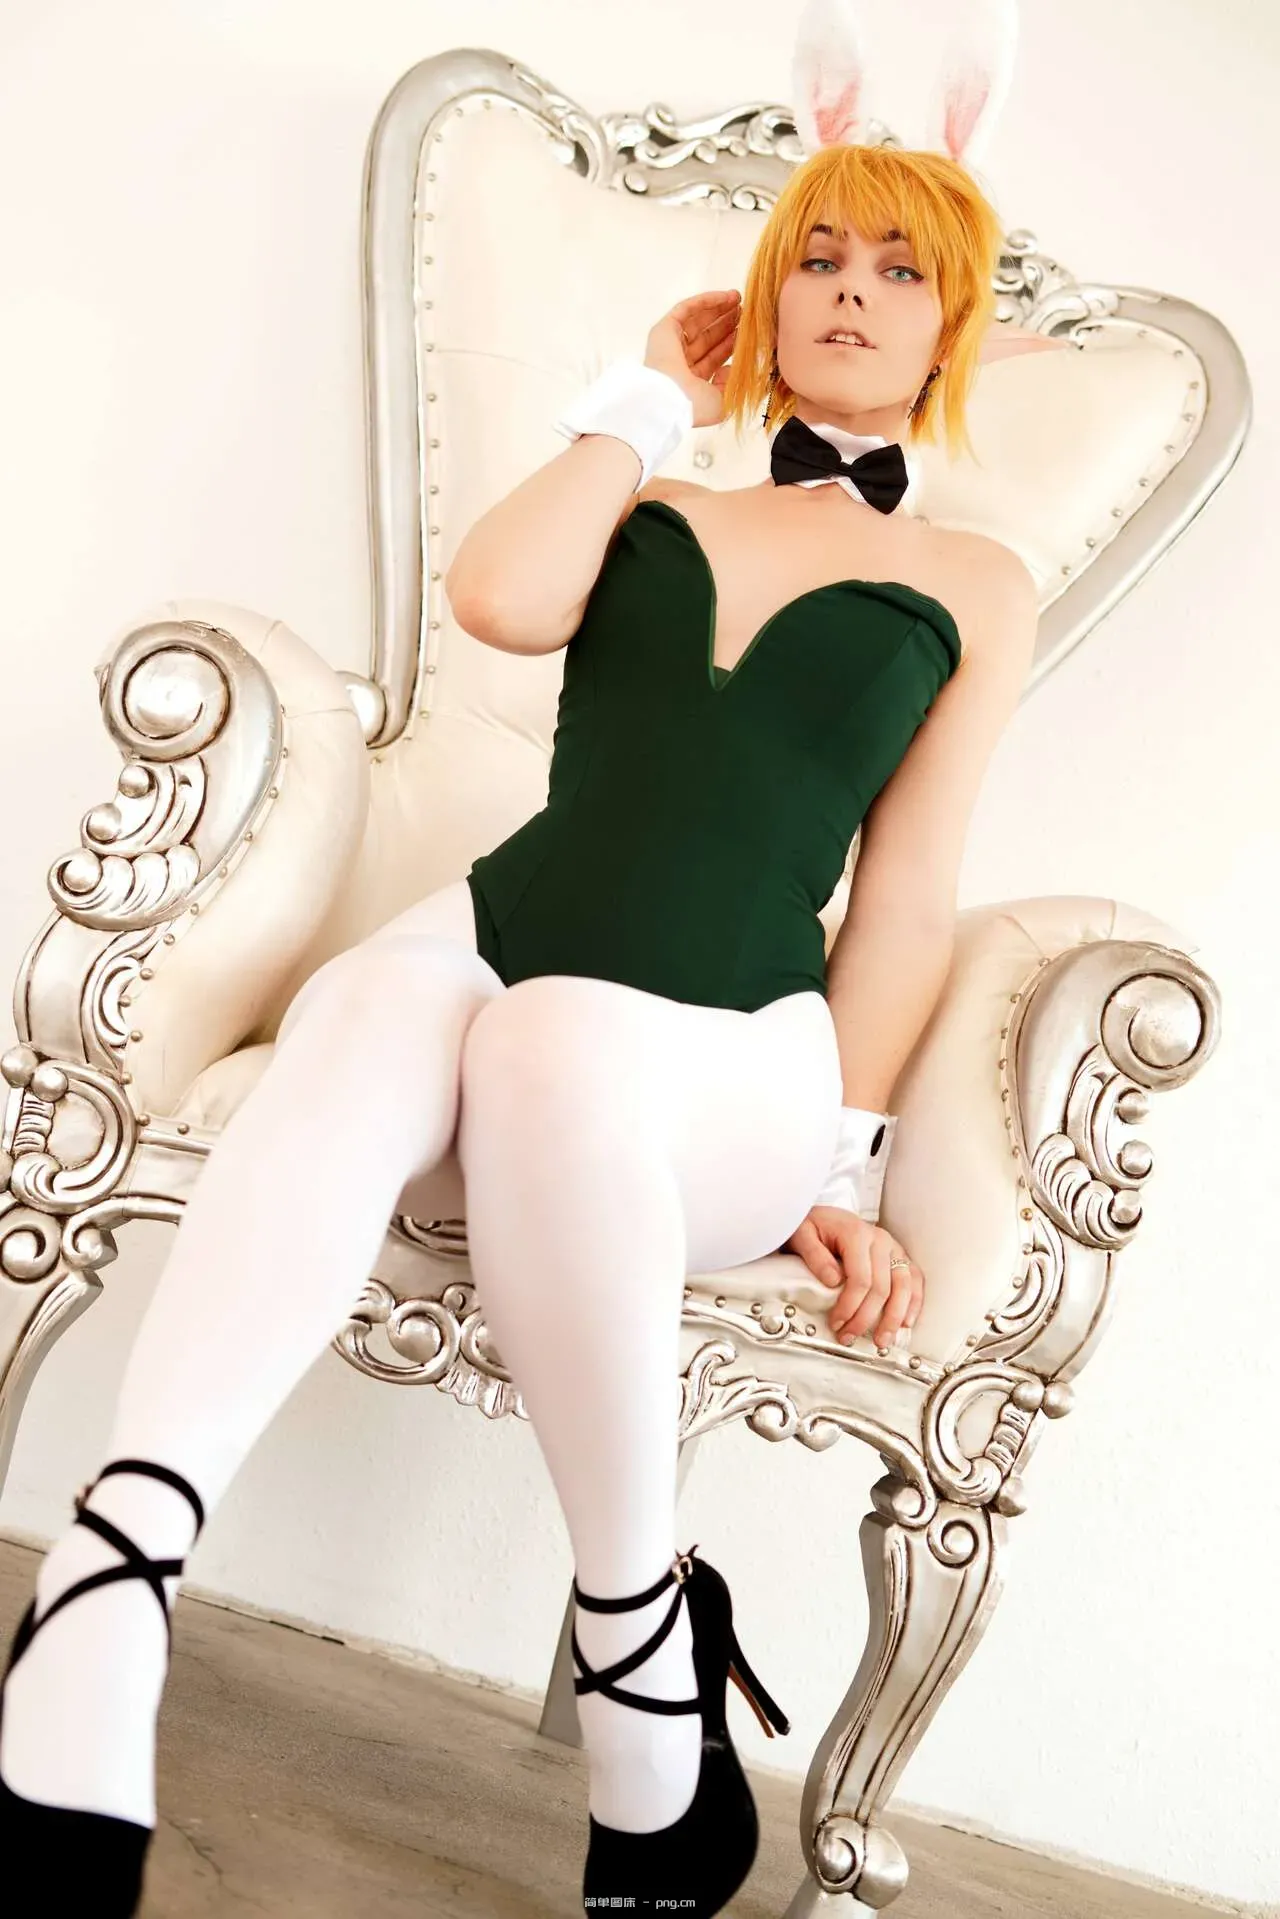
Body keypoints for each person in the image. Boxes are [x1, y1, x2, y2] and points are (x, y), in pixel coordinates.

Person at [0, 135, 1040, 1918]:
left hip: (730, 1055)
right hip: (500, 945)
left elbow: (907, 900)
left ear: (951, 324)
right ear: (767, 290)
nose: (850, 294)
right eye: (818, 258)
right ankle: (119, 1571)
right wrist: (641, 399)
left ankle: (637, 1644)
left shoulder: (976, 581)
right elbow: (498, 599)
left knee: (550, 1036)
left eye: (899, 270)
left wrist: (842, 1164)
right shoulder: (648, 502)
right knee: (365, 1006)